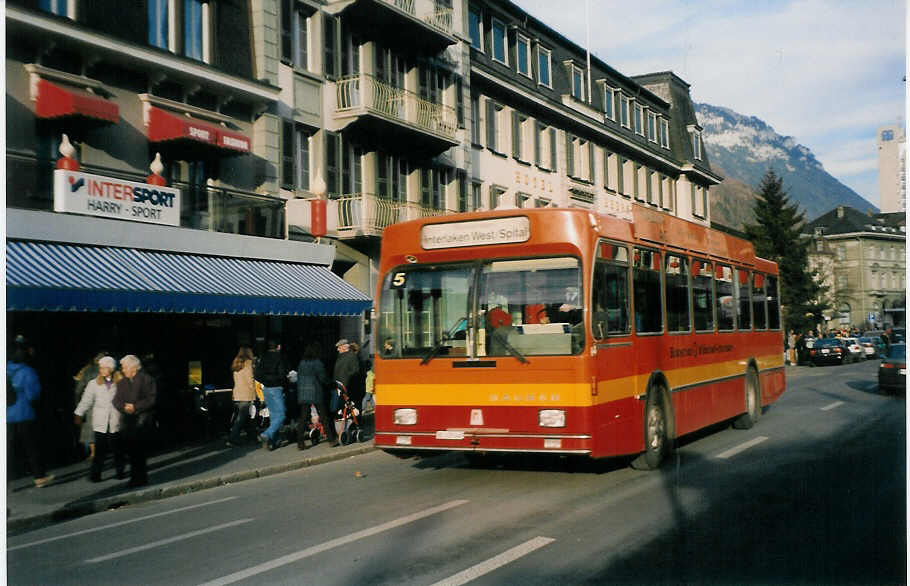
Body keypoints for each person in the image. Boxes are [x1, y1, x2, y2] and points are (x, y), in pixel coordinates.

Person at [7, 335, 54, 488]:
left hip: (6, 416)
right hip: (25, 414)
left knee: (8, 450)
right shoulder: (28, 371)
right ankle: (39, 477)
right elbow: (33, 394)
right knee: (32, 447)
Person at [74, 356, 125, 482]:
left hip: (115, 419)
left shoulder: (120, 382)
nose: (101, 370)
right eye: (100, 368)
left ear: (111, 369)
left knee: (117, 448)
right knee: (99, 450)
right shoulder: (94, 383)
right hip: (100, 421)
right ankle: (95, 475)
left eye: (104, 368)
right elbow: (86, 400)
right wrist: (78, 413)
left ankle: (120, 472)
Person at [113, 354, 157, 487]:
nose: (123, 370)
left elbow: (151, 399)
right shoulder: (122, 383)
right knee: (131, 451)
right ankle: (134, 478)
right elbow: (116, 400)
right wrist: (124, 407)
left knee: (139, 451)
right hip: (127, 421)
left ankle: (140, 478)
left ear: (133, 368)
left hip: (141, 420)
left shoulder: (147, 379)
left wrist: (135, 407)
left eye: (125, 367)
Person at [295, 342, 332, 449]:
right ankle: (331, 439)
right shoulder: (317, 363)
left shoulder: (302, 363)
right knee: (324, 415)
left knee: (303, 417)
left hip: (303, 392)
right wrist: (330, 383)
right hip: (316, 391)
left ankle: (300, 442)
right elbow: (323, 378)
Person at [73, 351, 106, 461]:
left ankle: (93, 452)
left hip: (91, 402)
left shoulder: (86, 370)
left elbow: (78, 389)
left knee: (90, 427)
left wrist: (78, 404)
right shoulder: (109, 369)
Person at [255, 339, 287, 451]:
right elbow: (282, 375)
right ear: (278, 346)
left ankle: (274, 441)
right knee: (282, 415)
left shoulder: (263, 358)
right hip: (276, 388)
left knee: (274, 415)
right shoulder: (279, 357)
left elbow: (257, 375)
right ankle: (267, 434)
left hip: (266, 389)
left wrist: (266, 380)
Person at [332, 339, 361, 446]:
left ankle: (351, 428)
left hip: (347, 388)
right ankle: (346, 429)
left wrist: (347, 383)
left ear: (344, 347)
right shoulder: (343, 357)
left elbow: (355, 372)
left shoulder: (351, 357)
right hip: (341, 388)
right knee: (343, 410)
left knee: (349, 410)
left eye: (339, 348)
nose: (338, 350)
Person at [227, 347, 256, 447]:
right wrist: (255, 393)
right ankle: (232, 438)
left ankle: (252, 436)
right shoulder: (248, 364)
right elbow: (250, 379)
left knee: (246, 416)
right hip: (246, 394)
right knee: (242, 418)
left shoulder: (236, 363)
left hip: (237, 394)